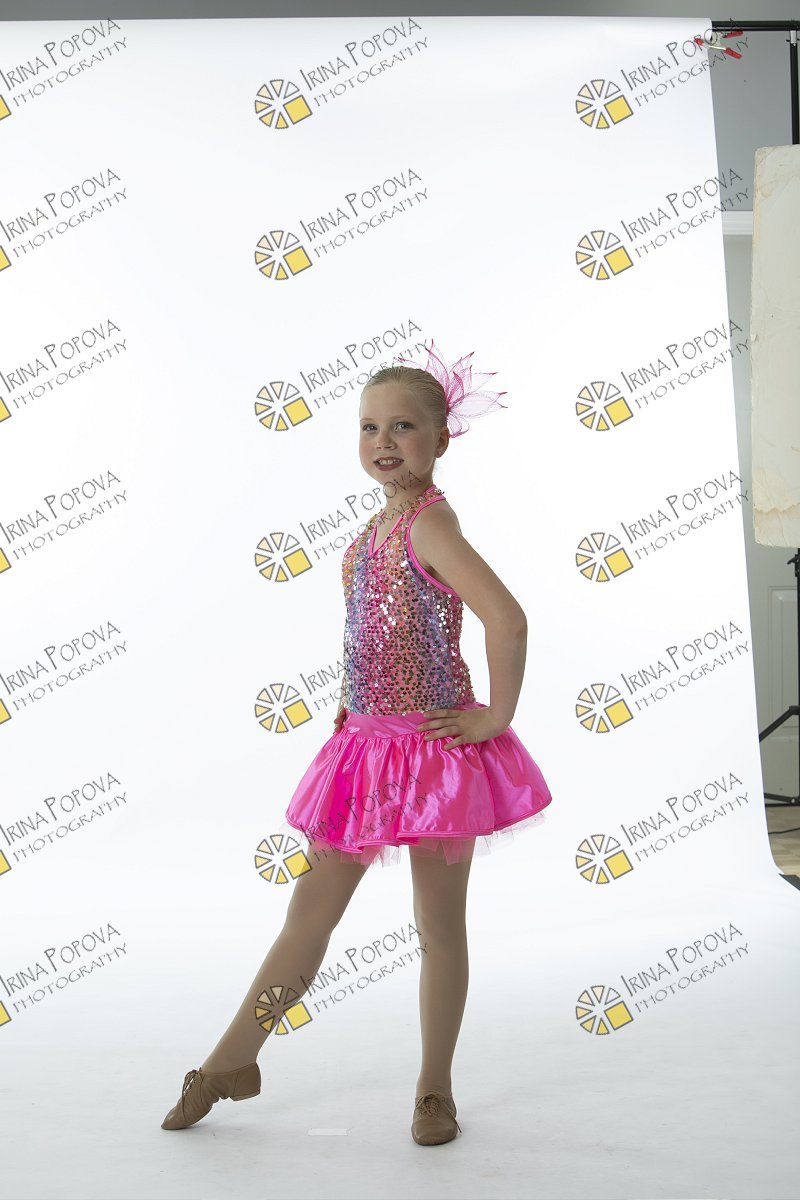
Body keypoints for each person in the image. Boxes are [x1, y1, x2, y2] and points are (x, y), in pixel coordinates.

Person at [161, 340, 553, 1145]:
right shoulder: (374, 527)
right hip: (367, 750)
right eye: (369, 427)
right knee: (309, 914)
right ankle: (233, 1060)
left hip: (433, 755)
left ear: (440, 439)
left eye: (403, 426)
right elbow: (374, 632)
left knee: (437, 926)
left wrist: (495, 717)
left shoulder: (430, 522)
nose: (383, 441)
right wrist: (351, 707)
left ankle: (434, 1090)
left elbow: (507, 620)